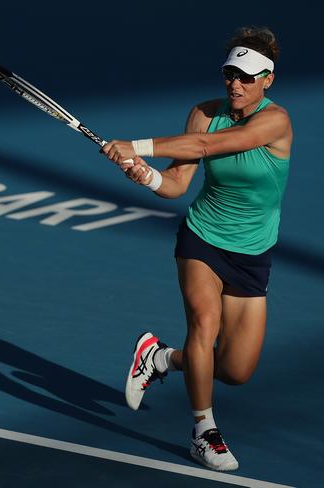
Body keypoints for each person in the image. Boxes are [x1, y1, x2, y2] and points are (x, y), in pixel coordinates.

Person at [100, 26, 292, 471]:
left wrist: (136, 144)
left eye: (247, 77)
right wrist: (145, 174)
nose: (236, 84)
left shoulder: (275, 121)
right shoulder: (204, 113)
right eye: (230, 74)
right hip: (203, 238)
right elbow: (177, 184)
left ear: (268, 80)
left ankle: (160, 356)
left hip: (252, 253)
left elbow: (210, 146)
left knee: (236, 370)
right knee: (204, 325)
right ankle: (204, 432)